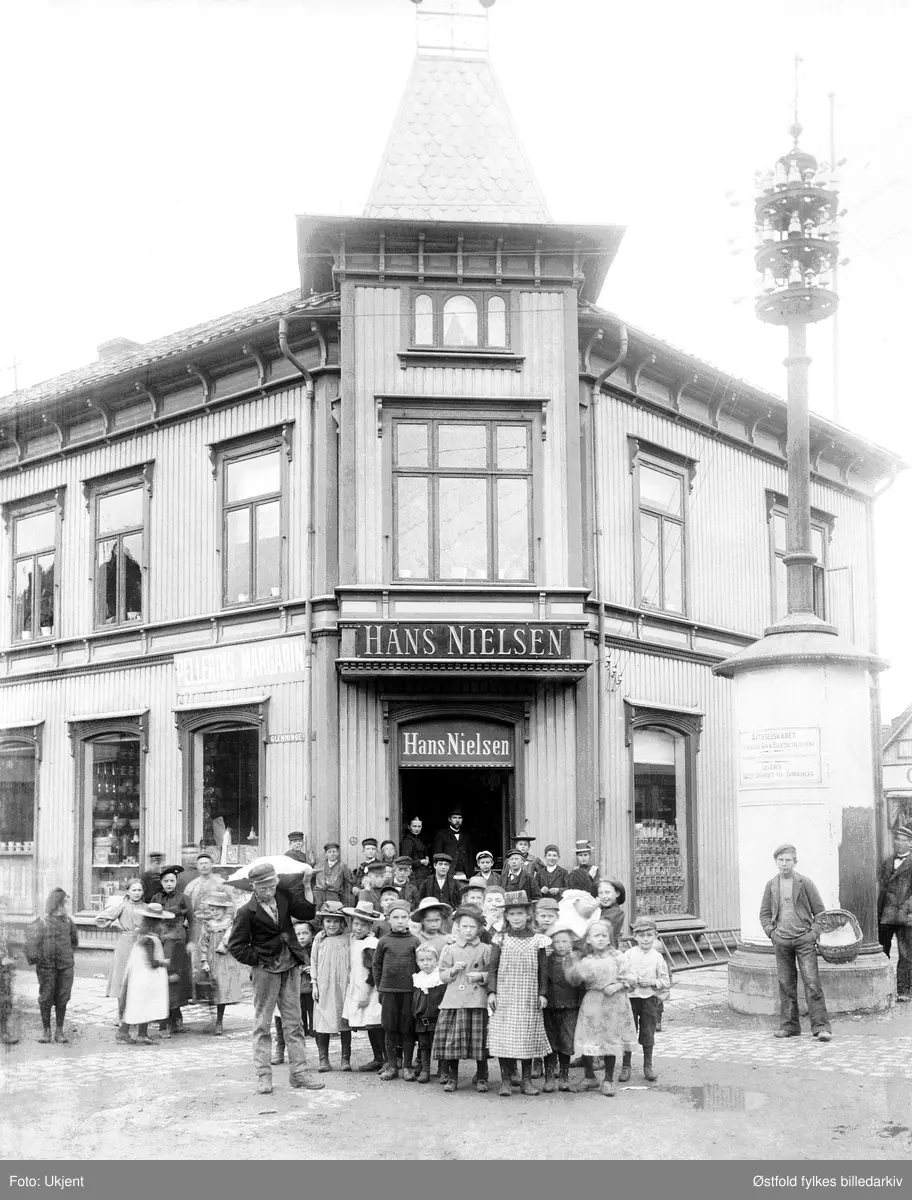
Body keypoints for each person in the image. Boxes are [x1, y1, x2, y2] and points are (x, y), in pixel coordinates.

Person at [226, 860, 323, 1095]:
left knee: (294, 1023)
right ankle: (263, 1076)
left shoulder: (284, 896)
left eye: (271, 886)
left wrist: (307, 884)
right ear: (253, 887)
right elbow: (236, 946)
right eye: (263, 888)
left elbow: (307, 912)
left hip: (290, 965)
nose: (269, 892)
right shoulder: (246, 912)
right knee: (262, 1024)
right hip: (265, 972)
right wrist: (259, 960)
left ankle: (299, 1074)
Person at [759, 842, 832, 1042]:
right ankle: (789, 1026)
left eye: (788, 860)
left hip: (804, 941)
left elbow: (821, 914)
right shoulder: (771, 885)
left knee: (812, 982)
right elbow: (764, 914)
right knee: (785, 983)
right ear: (776, 861)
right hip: (781, 941)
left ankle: (821, 1028)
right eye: (781, 860)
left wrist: (812, 935)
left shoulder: (804, 883)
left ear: (795, 862)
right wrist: (772, 933)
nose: (784, 864)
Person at [486, 890, 551, 1098]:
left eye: (520, 913)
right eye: (512, 914)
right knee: (505, 1037)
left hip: (528, 995)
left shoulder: (538, 940)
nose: (516, 918)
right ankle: (505, 1081)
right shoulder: (500, 939)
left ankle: (526, 1081)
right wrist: (492, 992)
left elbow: (543, 968)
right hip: (505, 995)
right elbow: (492, 967)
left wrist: (542, 993)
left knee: (527, 1036)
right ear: (506, 916)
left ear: (528, 915)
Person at [564, 919, 637, 1097]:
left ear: (610, 938)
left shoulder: (618, 957)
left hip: (614, 1004)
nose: (601, 939)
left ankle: (608, 1079)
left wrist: (618, 985)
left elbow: (632, 977)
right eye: (597, 935)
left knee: (610, 1040)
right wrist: (572, 966)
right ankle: (590, 1076)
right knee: (589, 1039)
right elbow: (575, 981)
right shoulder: (586, 960)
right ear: (588, 939)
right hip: (593, 1003)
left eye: (604, 935)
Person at [433, 906, 492, 1093]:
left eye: (472, 927)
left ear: (479, 929)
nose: (468, 930)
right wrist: (453, 970)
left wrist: (481, 976)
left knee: (479, 1042)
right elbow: (442, 975)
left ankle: (482, 1076)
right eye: (464, 926)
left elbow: (493, 974)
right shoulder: (450, 949)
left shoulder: (486, 949)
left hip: (476, 1000)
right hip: (454, 1001)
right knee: (453, 1043)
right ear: (457, 927)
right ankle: (452, 1077)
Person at [372, 899, 420, 1081]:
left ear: (409, 919)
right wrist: (380, 988)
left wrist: (417, 990)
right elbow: (376, 966)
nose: (400, 921)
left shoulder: (414, 941)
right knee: (389, 1028)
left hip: (409, 992)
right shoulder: (383, 941)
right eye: (396, 917)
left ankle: (407, 1066)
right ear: (388, 919)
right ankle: (392, 1066)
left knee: (407, 1029)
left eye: (404, 917)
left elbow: (419, 967)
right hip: (388, 991)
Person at [619, 917, 670, 1082]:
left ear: (656, 935)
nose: (646, 939)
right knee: (628, 1032)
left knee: (648, 1033)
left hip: (649, 1000)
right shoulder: (628, 955)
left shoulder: (657, 957)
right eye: (641, 936)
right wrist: (629, 982)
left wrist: (653, 982)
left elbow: (665, 981)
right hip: (631, 999)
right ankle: (626, 1066)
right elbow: (620, 976)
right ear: (635, 937)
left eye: (649, 935)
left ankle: (648, 1066)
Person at [25, 887, 78, 1044]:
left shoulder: (69, 922)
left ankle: (59, 1031)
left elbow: (74, 942)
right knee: (46, 997)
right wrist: (40, 961)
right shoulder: (41, 922)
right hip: (46, 968)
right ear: (58, 904)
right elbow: (31, 945)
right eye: (66, 903)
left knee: (63, 997)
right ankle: (46, 1031)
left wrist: (66, 955)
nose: (68, 906)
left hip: (65, 966)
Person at [117, 902, 174, 1045]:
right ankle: (124, 1032)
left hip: (142, 977)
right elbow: (151, 962)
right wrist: (164, 962)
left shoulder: (144, 936)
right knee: (141, 1005)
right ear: (157, 923)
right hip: (145, 978)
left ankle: (141, 1034)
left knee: (143, 1005)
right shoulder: (149, 940)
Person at [341, 897, 386, 1072]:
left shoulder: (371, 944)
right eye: (356, 924)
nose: (359, 928)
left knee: (376, 1024)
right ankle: (377, 1057)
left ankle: (386, 1059)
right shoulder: (353, 940)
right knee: (369, 1026)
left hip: (370, 990)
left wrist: (366, 994)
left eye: (363, 925)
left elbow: (373, 971)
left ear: (370, 927)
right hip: (356, 987)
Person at [197, 887, 248, 1036]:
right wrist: (204, 961)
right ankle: (213, 1018)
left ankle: (219, 1021)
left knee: (222, 990)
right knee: (211, 988)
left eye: (218, 909)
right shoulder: (208, 925)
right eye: (212, 909)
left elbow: (238, 940)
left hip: (226, 960)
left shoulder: (231, 924)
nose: (215, 912)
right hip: (212, 960)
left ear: (225, 909)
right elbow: (203, 944)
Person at [541, 922, 584, 1093]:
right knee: (550, 1042)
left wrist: (580, 1005)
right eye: (557, 942)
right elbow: (542, 981)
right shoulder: (546, 961)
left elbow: (581, 985)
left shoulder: (576, 961)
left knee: (567, 1042)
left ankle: (564, 1077)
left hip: (570, 1007)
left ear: (571, 943)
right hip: (550, 1007)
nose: (560, 945)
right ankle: (549, 1077)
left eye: (565, 941)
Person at [310, 900, 352, 1071]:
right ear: (323, 922)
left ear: (342, 923)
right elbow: (314, 961)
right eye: (328, 921)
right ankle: (323, 1059)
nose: (332, 925)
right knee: (322, 1020)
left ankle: (345, 1059)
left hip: (343, 985)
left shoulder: (348, 939)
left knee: (344, 1021)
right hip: (324, 985)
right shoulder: (319, 939)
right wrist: (314, 983)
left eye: (336, 921)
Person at [151, 865, 192, 1036]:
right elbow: (151, 920)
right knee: (164, 979)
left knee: (177, 982)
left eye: (172, 881)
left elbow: (192, 920)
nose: (169, 884)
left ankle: (176, 1019)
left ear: (176, 882)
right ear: (161, 882)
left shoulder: (184, 898)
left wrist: (191, 942)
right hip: (162, 943)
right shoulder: (156, 898)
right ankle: (164, 1022)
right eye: (166, 881)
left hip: (179, 944)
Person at [877, 822, 912, 1003]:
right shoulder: (887, 862)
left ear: (911, 843)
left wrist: (907, 908)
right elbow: (881, 885)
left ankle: (904, 991)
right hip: (885, 914)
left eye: (904, 840)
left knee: (906, 954)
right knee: (882, 951)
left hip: (906, 915)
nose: (899, 842)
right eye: (897, 839)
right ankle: (883, 989)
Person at [95, 877, 145, 1001]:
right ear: (128, 891)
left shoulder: (146, 907)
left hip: (141, 944)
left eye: (139, 890)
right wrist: (114, 924)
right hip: (125, 945)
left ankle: (137, 1010)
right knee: (122, 977)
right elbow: (100, 920)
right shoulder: (122, 905)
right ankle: (122, 1011)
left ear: (143, 892)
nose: (137, 893)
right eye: (134, 890)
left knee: (139, 977)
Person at [273, 920, 315, 1065]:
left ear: (312, 934)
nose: (301, 937)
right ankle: (280, 1050)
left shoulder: (315, 948)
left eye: (305, 933)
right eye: (298, 934)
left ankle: (306, 1056)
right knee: (286, 1022)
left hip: (310, 991)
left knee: (311, 1026)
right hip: (290, 991)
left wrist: (313, 969)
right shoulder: (286, 949)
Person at [183, 852, 222, 993]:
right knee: (197, 959)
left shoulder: (220, 883)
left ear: (212, 865)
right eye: (201, 863)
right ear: (197, 866)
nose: (204, 866)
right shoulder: (192, 886)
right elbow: (186, 907)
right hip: (197, 926)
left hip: (217, 926)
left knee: (215, 958)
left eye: (206, 863)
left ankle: (218, 993)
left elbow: (229, 905)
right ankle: (198, 992)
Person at [412, 944, 446, 1084]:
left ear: (436, 961)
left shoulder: (440, 978)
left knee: (440, 1044)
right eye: (422, 960)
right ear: (417, 962)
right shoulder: (417, 978)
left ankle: (443, 1070)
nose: (425, 963)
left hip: (437, 1018)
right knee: (424, 1045)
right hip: (422, 1019)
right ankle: (425, 1069)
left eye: (429, 959)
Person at [432, 807, 474, 881]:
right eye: (454, 817)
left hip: (465, 875)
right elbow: (437, 855)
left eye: (460, 818)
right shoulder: (441, 834)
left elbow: (470, 856)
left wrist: (470, 874)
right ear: (449, 819)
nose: (457, 820)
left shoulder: (466, 836)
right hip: (447, 874)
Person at [313, 841, 354, 909]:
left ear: (338, 853)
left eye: (334, 852)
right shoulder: (318, 866)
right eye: (329, 852)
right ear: (326, 854)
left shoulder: (342, 866)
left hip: (333, 895)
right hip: (318, 895)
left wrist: (355, 886)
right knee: (317, 913)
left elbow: (351, 880)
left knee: (332, 913)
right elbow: (310, 877)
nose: (332, 854)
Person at [0, 895, 18, 1045]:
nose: (3, 911)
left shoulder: (5, 927)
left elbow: (6, 946)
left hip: (5, 970)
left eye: (5, 908)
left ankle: (4, 1032)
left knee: (6, 1002)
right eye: (1, 908)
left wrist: (12, 956)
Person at [400, 816, 431, 887]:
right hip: (414, 875)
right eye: (414, 826)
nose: (417, 829)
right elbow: (405, 860)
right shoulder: (407, 841)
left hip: (422, 874)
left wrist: (426, 856)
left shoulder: (419, 839)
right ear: (409, 827)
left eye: (419, 826)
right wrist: (421, 861)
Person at [596, 879, 626, 949]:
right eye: (600, 893)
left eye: (607, 892)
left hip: (607, 950)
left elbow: (599, 929)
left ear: (617, 893)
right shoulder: (601, 909)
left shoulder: (616, 912)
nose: (603, 896)